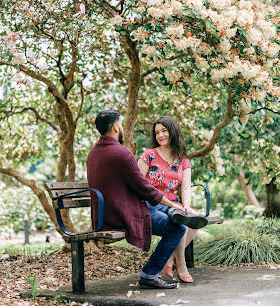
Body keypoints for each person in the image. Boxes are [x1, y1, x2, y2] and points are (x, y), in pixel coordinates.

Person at [86, 110, 200, 289]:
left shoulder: (93, 153)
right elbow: (143, 187)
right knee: (177, 228)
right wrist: (170, 203)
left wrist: (176, 205)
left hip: (107, 214)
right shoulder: (122, 154)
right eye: (121, 125)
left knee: (181, 216)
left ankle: (168, 260)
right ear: (116, 127)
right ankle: (150, 274)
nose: (122, 128)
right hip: (123, 213)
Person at [137, 116, 206, 283]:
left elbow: (186, 188)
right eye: (157, 132)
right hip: (151, 203)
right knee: (179, 223)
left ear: (173, 132)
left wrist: (187, 206)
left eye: (164, 131)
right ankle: (181, 265)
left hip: (172, 203)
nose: (160, 135)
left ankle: (169, 260)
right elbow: (137, 183)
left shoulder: (183, 160)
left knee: (192, 217)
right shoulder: (149, 155)